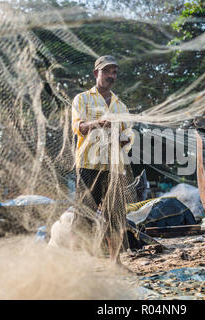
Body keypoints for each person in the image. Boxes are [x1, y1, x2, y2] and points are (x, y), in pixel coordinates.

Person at [71, 55, 134, 267]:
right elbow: (78, 128)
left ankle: (116, 262)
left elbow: (129, 137)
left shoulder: (121, 106)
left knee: (115, 216)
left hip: (115, 168)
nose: (111, 76)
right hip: (89, 165)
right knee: (84, 215)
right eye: (107, 71)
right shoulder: (82, 99)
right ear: (96, 73)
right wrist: (97, 123)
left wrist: (122, 140)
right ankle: (79, 264)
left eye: (114, 72)